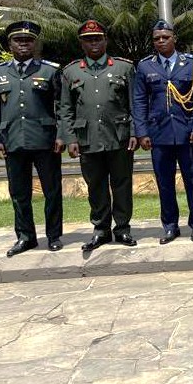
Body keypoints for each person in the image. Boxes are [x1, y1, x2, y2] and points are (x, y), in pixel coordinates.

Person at [0, 21, 64, 256]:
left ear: (35, 44)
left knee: (52, 191)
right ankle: (26, 237)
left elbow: (62, 107)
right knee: (19, 194)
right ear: (9, 44)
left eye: (28, 40)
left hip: (45, 140)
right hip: (12, 141)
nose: (23, 44)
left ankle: (54, 236)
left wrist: (61, 135)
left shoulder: (50, 71)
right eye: (18, 40)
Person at [60, 20, 138, 251]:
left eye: (97, 38)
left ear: (106, 40)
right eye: (88, 39)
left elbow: (135, 104)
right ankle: (101, 229)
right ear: (81, 43)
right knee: (95, 185)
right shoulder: (71, 71)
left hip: (119, 136)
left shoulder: (124, 68)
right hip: (88, 138)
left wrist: (135, 132)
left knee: (122, 183)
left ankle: (122, 228)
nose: (93, 42)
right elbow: (65, 108)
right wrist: (70, 138)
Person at [133, 20, 193, 244]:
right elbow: (139, 101)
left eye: (165, 37)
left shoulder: (192, 63)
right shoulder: (145, 66)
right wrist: (141, 132)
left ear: (174, 38)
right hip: (159, 133)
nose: (161, 41)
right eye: (157, 38)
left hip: (187, 132)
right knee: (164, 182)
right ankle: (170, 226)